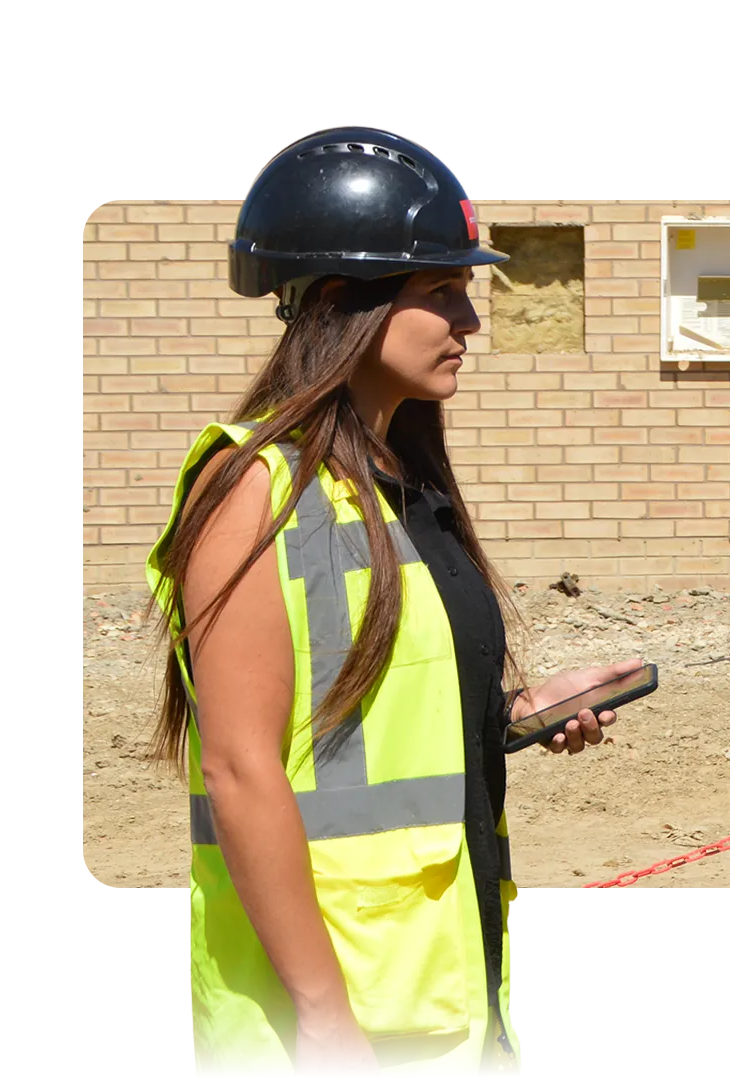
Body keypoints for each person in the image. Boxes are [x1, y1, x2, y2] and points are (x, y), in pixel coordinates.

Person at [145, 125, 641, 1079]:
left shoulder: (401, 486)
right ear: (342, 303)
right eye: (441, 291)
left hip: (445, 997)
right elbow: (244, 771)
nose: (473, 317)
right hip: (324, 1022)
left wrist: (510, 716)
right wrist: (323, 1019)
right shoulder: (252, 491)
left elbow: (369, 724)